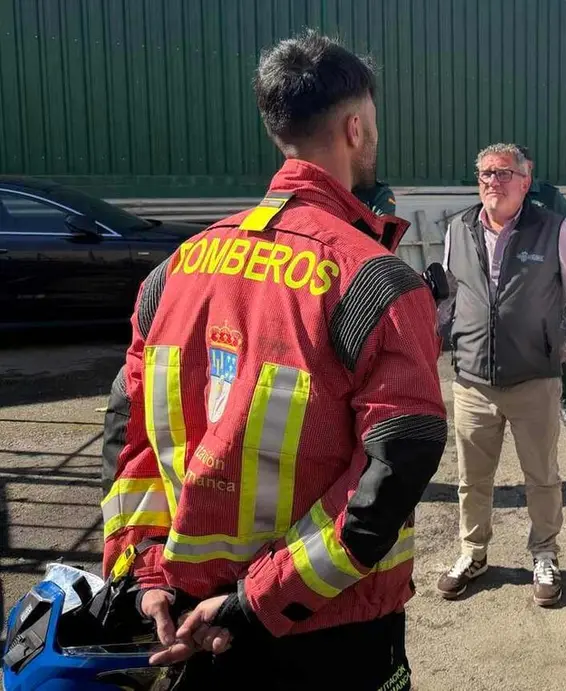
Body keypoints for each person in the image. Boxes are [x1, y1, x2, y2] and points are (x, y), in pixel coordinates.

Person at [99, 32, 446, 689]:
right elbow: (396, 466)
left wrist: (147, 574)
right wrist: (257, 597)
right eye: (370, 125)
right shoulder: (373, 280)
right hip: (325, 631)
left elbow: (128, 436)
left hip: (189, 625)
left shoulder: (174, 271)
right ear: (355, 127)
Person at [434, 143, 566, 606]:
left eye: (503, 173)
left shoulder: (555, 229)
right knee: (473, 480)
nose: (492, 182)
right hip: (473, 380)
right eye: (484, 174)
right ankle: (473, 553)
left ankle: (545, 553)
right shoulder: (459, 228)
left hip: (534, 378)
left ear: (525, 178)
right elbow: (451, 296)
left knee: (542, 477)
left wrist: (565, 348)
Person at [516, 144, 566, 434]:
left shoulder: (547, 195)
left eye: (525, 163)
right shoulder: (507, 191)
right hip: (517, 279)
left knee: (556, 340)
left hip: (548, 276)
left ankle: (565, 403)